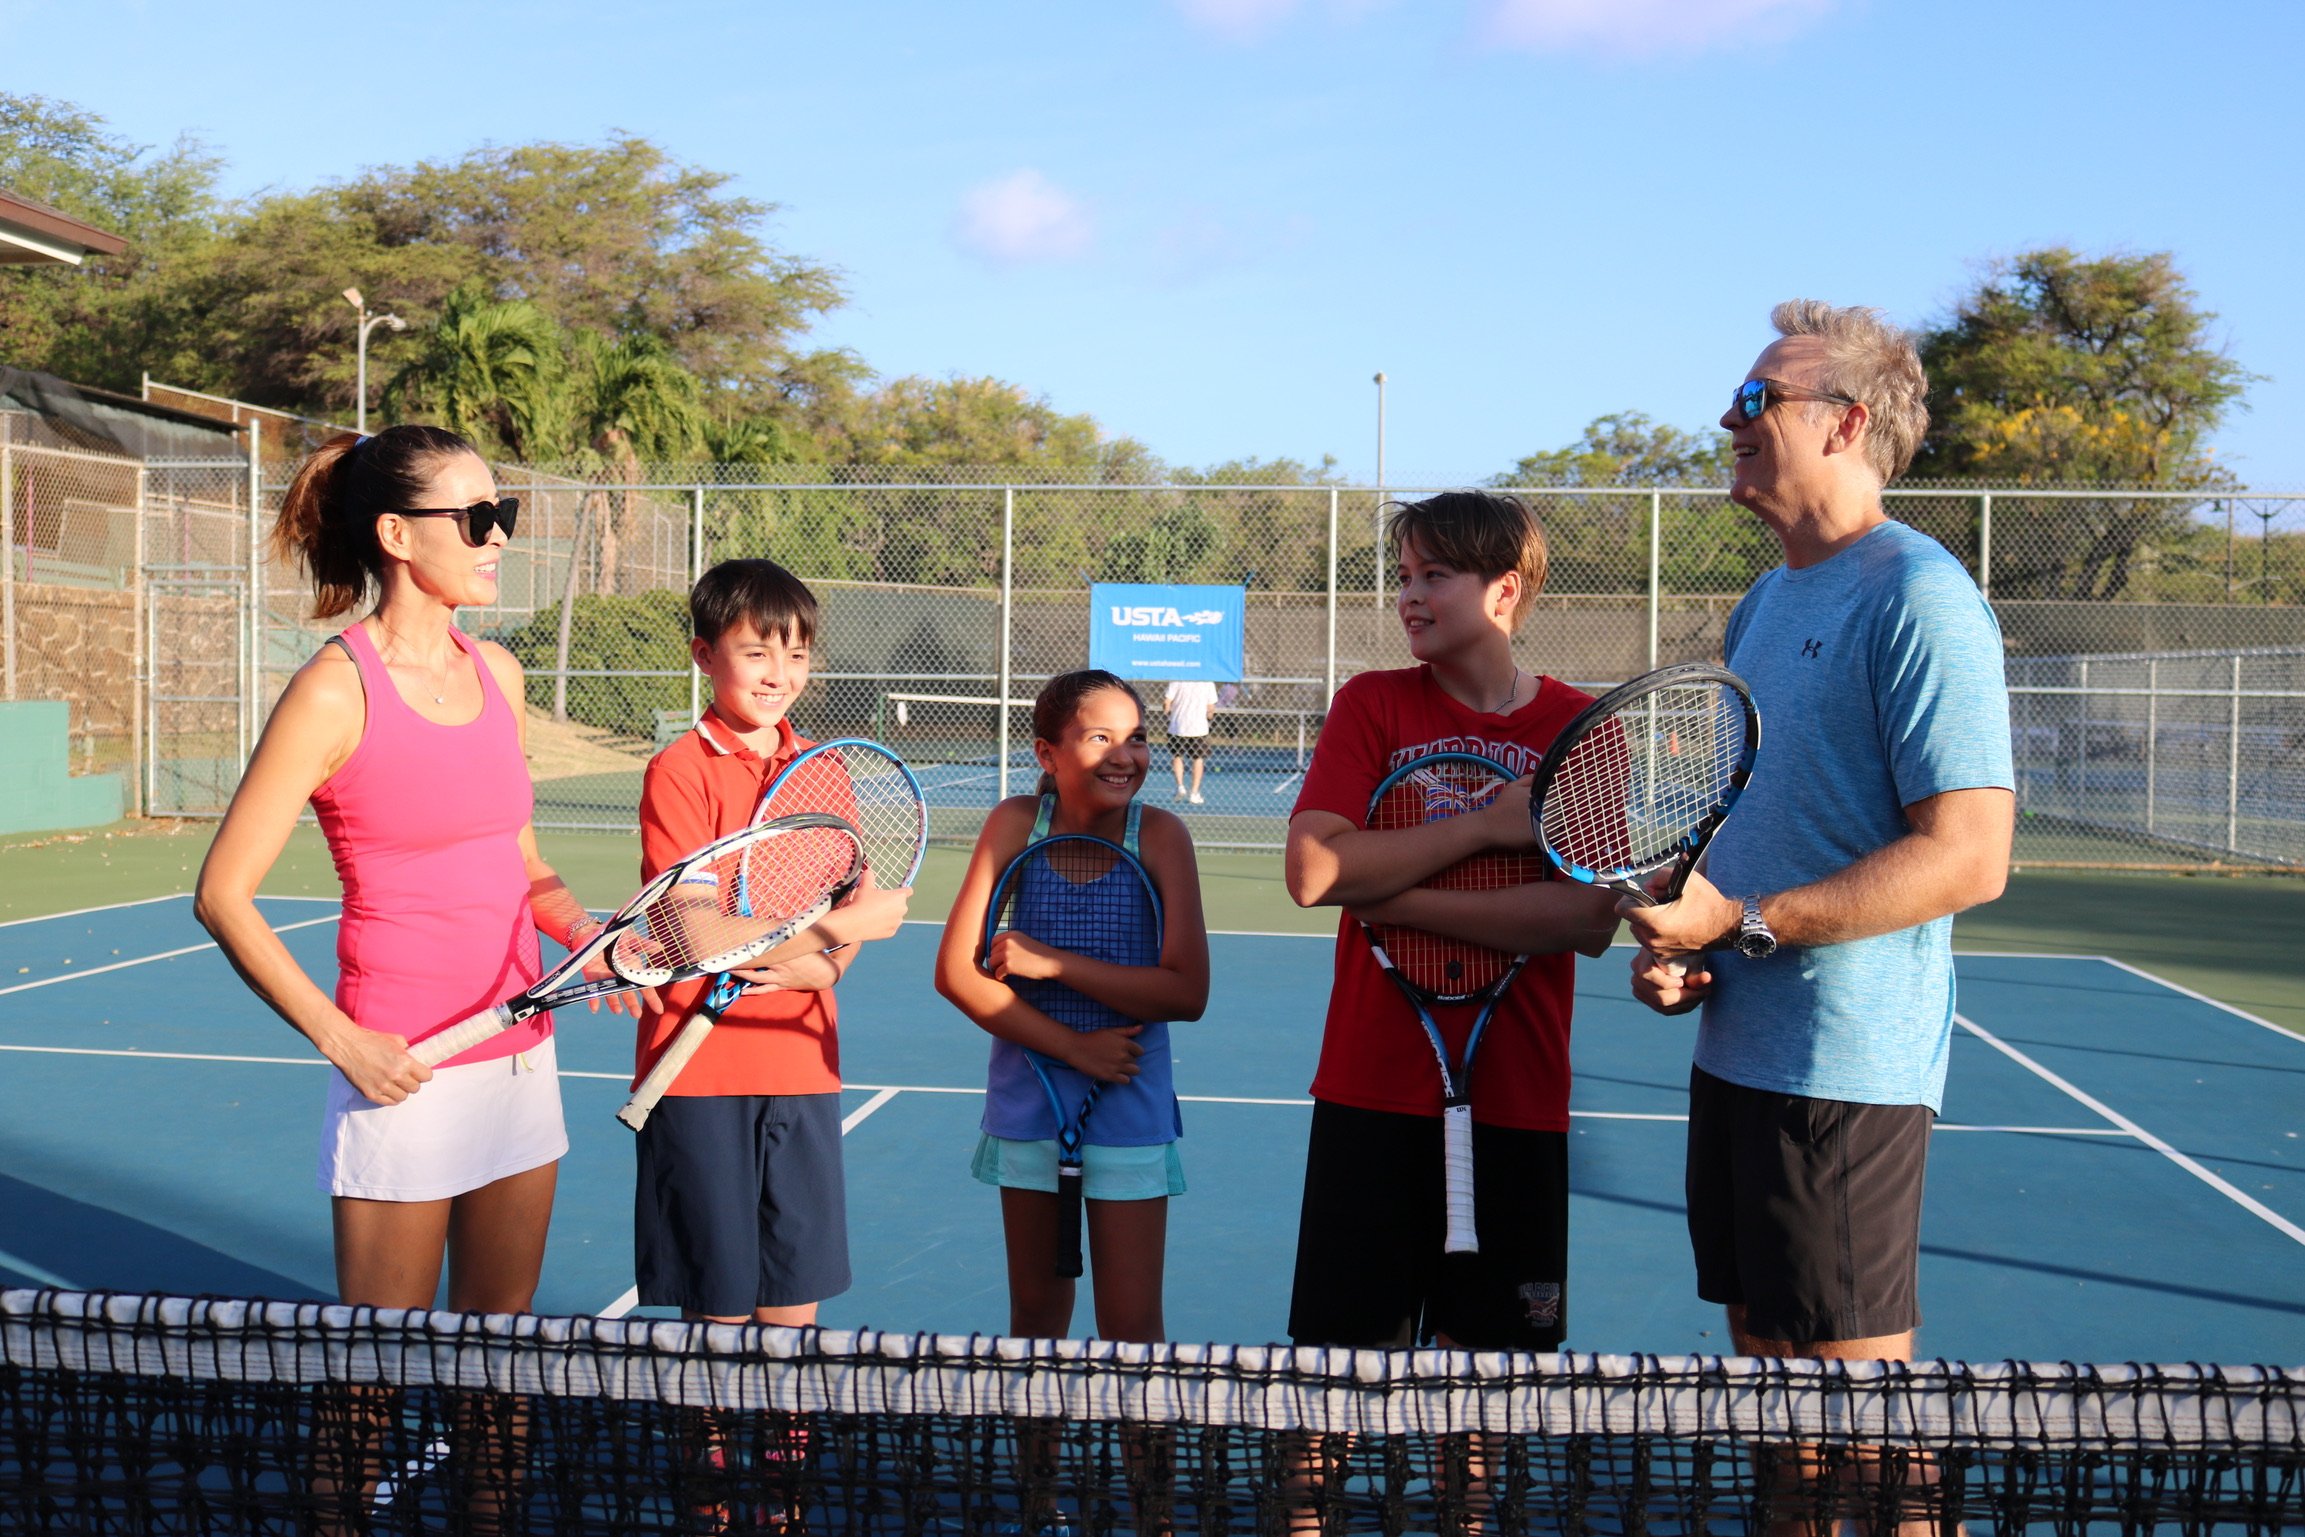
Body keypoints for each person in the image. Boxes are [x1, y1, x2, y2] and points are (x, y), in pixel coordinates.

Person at [1621, 302, 2013, 1523]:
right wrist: (1697, 957)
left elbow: (1970, 856)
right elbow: (1761, 824)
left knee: (1863, 1430)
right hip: (1743, 1050)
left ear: (1843, 422)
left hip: (1846, 1066)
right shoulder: (1766, 601)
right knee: (1777, 1407)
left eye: (1754, 403)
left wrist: (1740, 923)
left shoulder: (1921, 596)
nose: (1726, 423)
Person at [195, 425, 628, 1525]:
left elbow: (518, 857)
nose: (498, 539)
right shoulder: (334, 691)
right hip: (407, 1069)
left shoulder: (501, 670)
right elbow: (224, 893)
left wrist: (587, 933)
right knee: (372, 1376)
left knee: (502, 1358)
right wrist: (346, 1041)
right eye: (475, 519)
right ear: (397, 535)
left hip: (520, 1061)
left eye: (504, 514)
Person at [1282, 490, 1619, 1355]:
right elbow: (1314, 868)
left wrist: (1384, 897)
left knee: (1488, 1397)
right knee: (1333, 1376)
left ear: (1503, 592)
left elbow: (1584, 916)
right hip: (1370, 1088)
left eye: (1436, 574)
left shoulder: (1580, 728)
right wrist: (1482, 826)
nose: (1409, 595)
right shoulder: (1371, 704)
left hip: (1518, 1099)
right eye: (1403, 576)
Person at [629, 558, 912, 1332]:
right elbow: (695, 932)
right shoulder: (678, 772)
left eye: (795, 654)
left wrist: (820, 959)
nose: (778, 673)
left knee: (792, 1300)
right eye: (756, 652)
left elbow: (848, 904)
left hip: (803, 1063)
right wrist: (832, 935)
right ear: (703, 655)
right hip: (699, 1077)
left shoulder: (821, 768)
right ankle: (710, 1457)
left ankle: (783, 1455)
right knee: (716, 1310)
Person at [934, 669, 1210, 1346]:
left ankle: (1144, 1460)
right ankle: (1039, 1460)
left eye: (1138, 736)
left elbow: (1186, 991)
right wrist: (1073, 1046)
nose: (1126, 754)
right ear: (1047, 755)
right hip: (1028, 1110)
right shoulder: (1013, 826)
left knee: (1133, 1330)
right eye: (1099, 737)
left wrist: (1049, 961)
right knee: (1033, 1323)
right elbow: (955, 974)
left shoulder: (1162, 836)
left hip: (1129, 1109)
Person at [1164, 677, 1221, 804]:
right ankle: (1194, 793)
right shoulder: (1207, 681)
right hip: (1199, 727)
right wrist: (1209, 717)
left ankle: (1180, 786)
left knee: (1177, 756)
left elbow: (1167, 702)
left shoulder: (1177, 679)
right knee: (1198, 758)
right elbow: (1211, 707)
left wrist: (1168, 714)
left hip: (1178, 725)